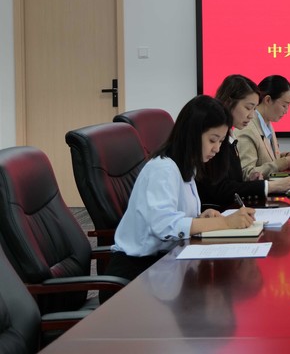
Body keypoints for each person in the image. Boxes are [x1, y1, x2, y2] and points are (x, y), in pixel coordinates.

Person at [104, 95, 256, 289]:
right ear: (192, 134)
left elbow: (174, 216)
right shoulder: (163, 169)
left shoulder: (185, 166)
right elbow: (165, 227)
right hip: (136, 274)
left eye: (221, 141)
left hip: (163, 265)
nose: (217, 148)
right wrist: (226, 223)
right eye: (213, 140)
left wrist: (200, 217)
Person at [196, 74, 290, 210]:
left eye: (254, 109)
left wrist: (252, 180)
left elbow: (233, 182)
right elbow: (220, 189)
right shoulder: (216, 141)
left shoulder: (229, 138)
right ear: (229, 102)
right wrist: (269, 186)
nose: (251, 115)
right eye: (248, 108)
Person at [235, 75, 290, 179]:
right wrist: (284, 163)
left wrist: (285, 157)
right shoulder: (247, 129)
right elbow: (246, 173)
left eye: (289, 106)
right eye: (284, 105)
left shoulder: (266, 124)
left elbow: (264, 159)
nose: (286, 111)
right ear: (268, 100)